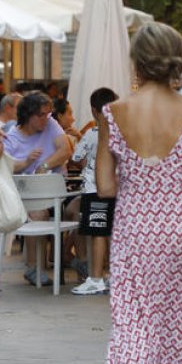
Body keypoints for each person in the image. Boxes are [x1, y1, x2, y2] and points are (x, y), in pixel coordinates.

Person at [96, 22, 182, 364]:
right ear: (176, 58)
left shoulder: (112, 113)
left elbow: (105, 187)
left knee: (134, 321)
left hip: (134, 230)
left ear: (138, 60)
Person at [3, 91, 73, 286]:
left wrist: (43, 166)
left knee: (80, 209)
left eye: (47, 113)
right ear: (28, 115)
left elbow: (65, 149)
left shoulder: (50, 123)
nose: (45, 118)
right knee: (38, 212)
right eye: (40, 115)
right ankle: (35, 267)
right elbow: (7, 167)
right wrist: (27, 162)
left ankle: (80, 261)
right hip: (28, 198)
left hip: (59, 192)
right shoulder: (12, 138)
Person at [70, 87, 119, 296]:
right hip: (116, 188)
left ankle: (96, 277)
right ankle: (111, 274)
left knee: (98, 234)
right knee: (112, 233)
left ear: (93, 110)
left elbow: (76, 158)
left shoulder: (92, 134)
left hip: (93, 188)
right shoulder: (121, 132)